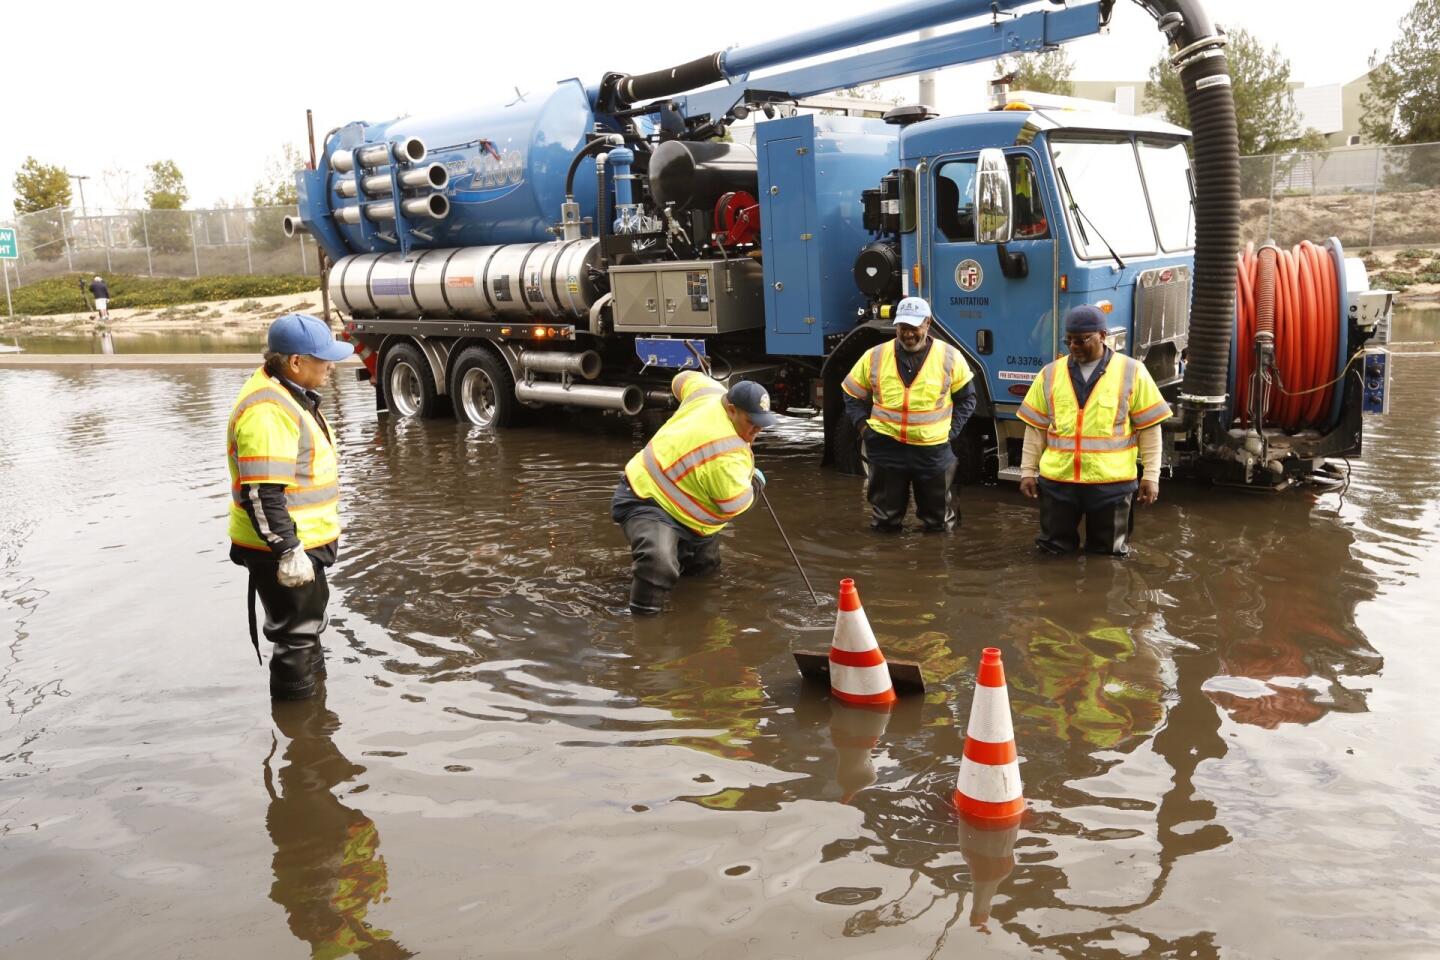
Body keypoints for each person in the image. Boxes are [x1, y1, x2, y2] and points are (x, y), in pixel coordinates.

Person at [228, 313, 354, 699]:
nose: (331, 366)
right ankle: (304, 740)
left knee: (307, 630)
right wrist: (288, 550)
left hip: (302, 543)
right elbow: (261, 494)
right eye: (323, 358)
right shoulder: (268, 411)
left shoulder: (289, 395)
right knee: (296, 639)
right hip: (283, 547)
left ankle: (314, 724)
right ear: (295, 362)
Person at [611, 371, 776, 615]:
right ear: (731, 410)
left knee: (704, 571)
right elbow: (736, 504)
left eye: (762, 422)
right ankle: (643, 625)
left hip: (694, 520)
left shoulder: (708, 391)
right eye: (751, 422)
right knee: (659, 564)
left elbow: (681, 380)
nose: (757, 430)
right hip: (646, 498)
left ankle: (696, 622)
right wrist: (756, 484)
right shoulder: (726, 456)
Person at [1016, 304, 1172, 556]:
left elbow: (1150, 429)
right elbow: (1035, 428)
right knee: (1053, 552)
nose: (1074, 347)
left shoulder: (1132, 371)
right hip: (1059, 484)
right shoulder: (1050, 374)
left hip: (1111, 485)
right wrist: (1027, 472)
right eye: (1069, 341)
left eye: (1081, 340)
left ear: (1103, 335)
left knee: (1109, 556)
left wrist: (1151, 477)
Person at [841, 296, 977, 533]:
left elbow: (968, 399)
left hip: (932, 451)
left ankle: (937, 569)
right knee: (885, 523)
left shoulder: (950, 357)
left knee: (940, 524)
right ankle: (887, 566)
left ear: (927, 323)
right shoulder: (874, 356)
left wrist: (950, 432)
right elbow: (851, 394)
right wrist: (865, 430)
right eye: (903, 328)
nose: (908, 334)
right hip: (886, 449)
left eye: (914, 327)